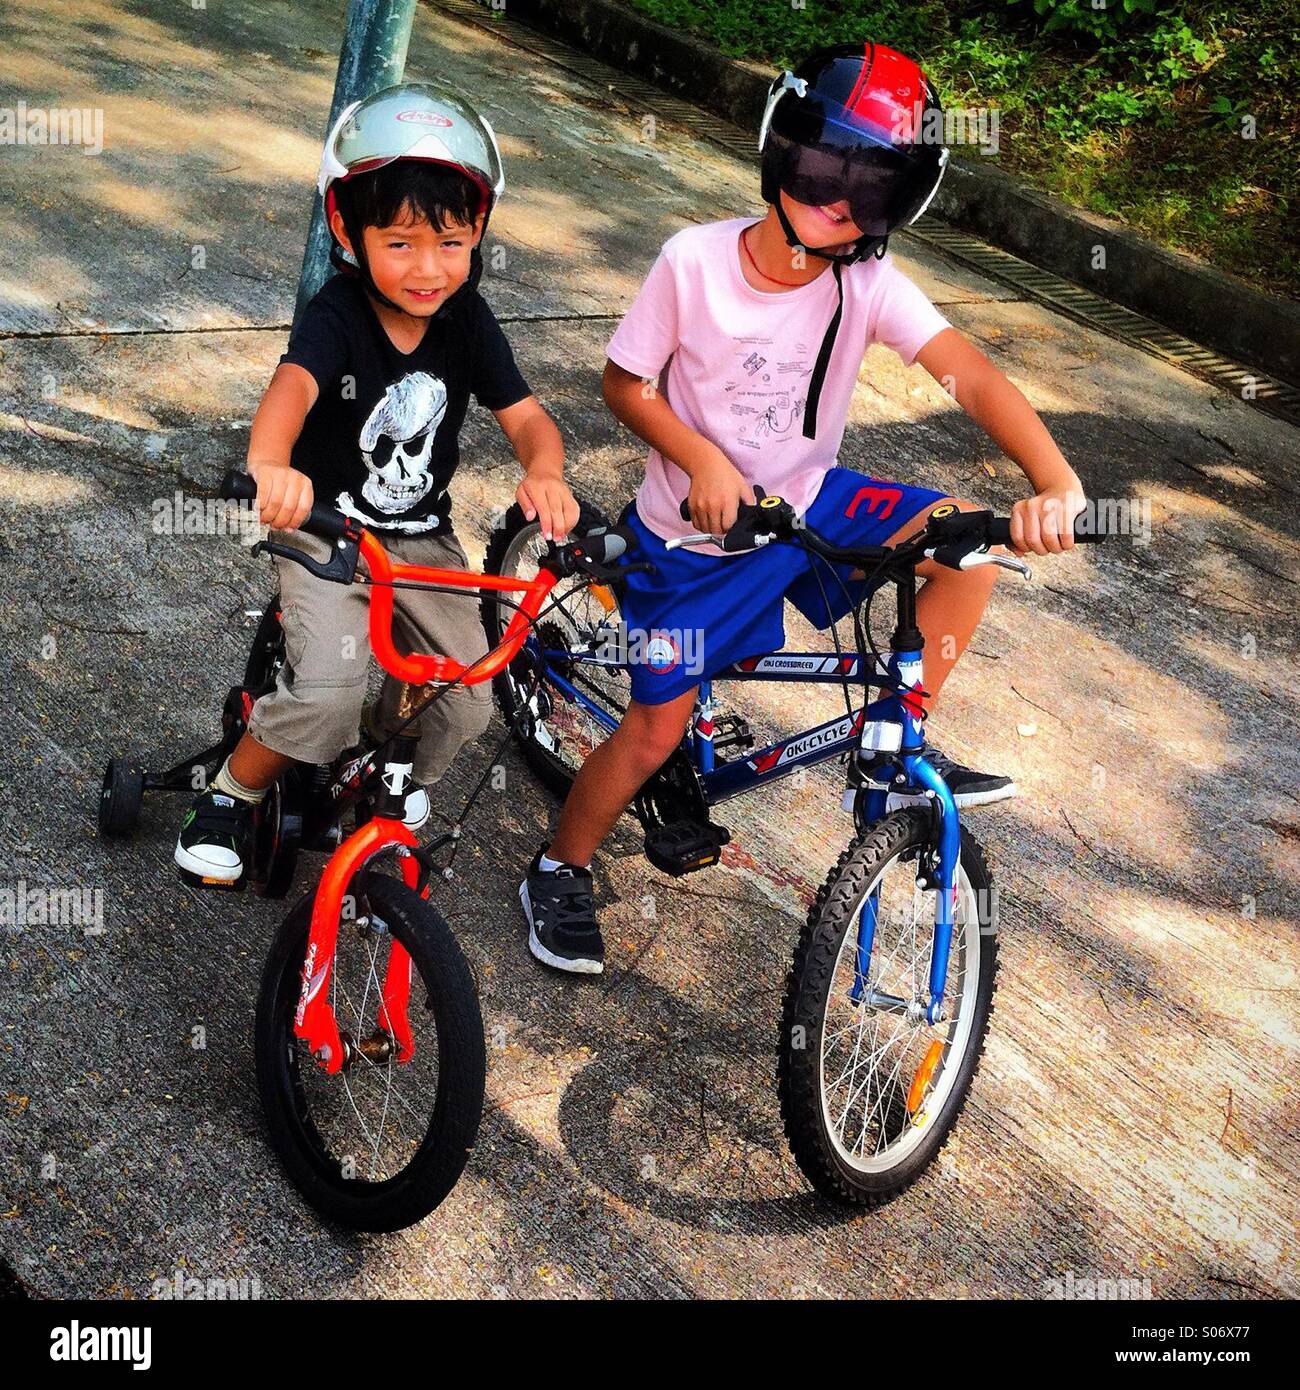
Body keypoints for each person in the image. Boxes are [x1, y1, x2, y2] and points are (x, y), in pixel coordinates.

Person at [519, 42, 1086, 974]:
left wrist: (1053, 483)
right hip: (689, 546)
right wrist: (699, 455)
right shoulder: (693, 263)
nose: (837, 202)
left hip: (811, 504)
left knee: (962, 549)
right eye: (826, 167)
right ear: (781, 151)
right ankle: (558, 866)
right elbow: (625, 385)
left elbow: (971, 376)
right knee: (656, 729)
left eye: (871, 188)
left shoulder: (865, 281)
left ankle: (899, 733)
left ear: (900, 206)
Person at [176, 82, 579, 885]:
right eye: (400, 244)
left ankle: (393, 766)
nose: (428, 270)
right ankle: (230, 790)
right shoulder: (338, 315)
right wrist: (271, 466)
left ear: (477, 235)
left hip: (422, 536)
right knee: (326, 693)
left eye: (452, 244)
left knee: (466, 692)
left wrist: (546, 469)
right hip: (325, 528)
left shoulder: (468, 319)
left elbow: (528, 416)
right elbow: (290, 390)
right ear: (346, 229)